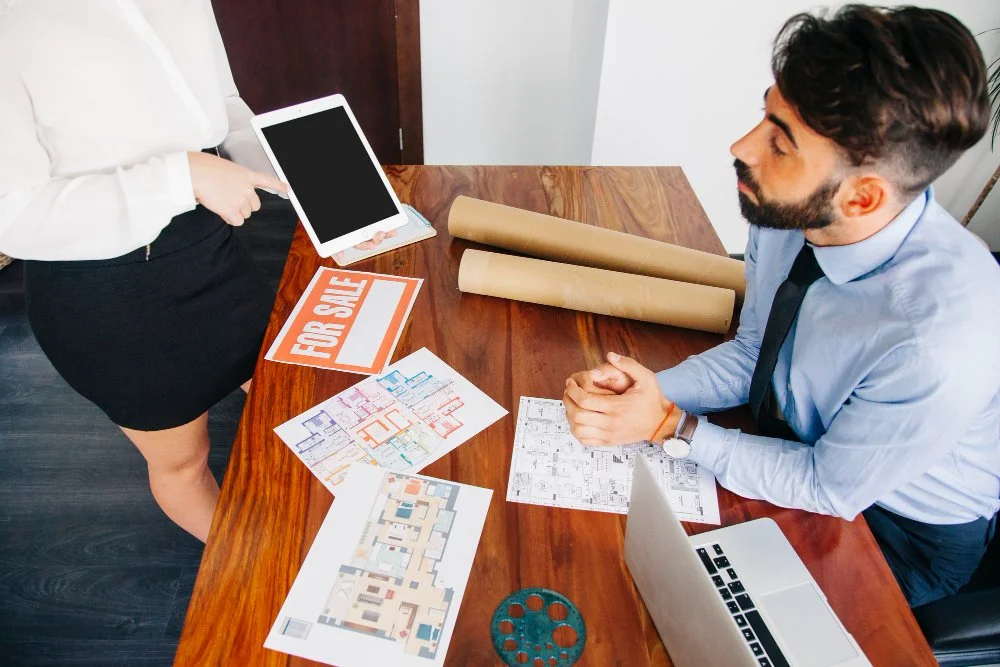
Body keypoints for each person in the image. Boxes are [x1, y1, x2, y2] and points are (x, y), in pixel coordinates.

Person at [562, 5, 999, 608]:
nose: (741, 147)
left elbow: (828, 485)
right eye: (765, 114)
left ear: (864, 196)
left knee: (679, 604)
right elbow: (755, 352)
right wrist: (648, 393)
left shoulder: (938, 342)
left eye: (780, 144)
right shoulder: (795, 213)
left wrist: (670, 427)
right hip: (797, 442)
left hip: (899, 529)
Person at [0, 0, 389, 542]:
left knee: (293, 396)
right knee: (184, 461)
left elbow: (219, 106)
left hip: (207, 249)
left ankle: (331, 523)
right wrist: (179, 175)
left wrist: (304, 173)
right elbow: (11, 217)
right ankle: (244, 563)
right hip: (105, 295)